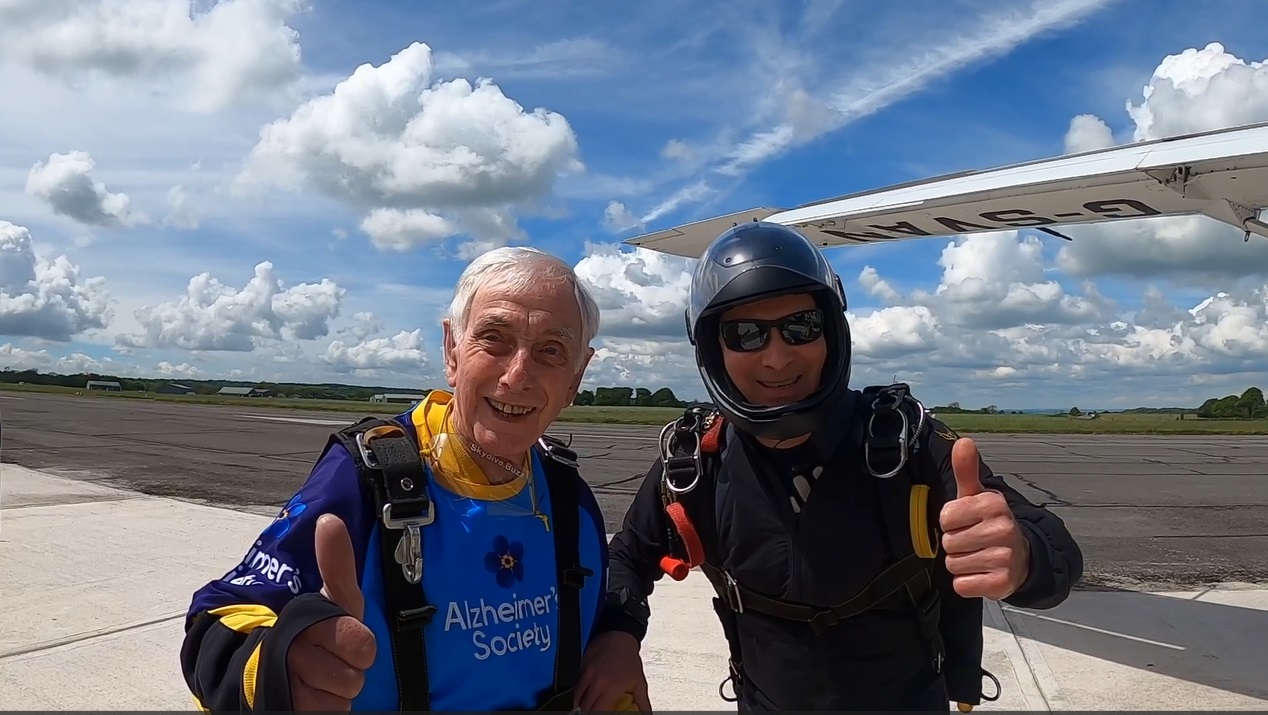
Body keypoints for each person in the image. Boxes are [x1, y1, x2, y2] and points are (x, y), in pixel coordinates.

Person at [574, 221, 1085, 712]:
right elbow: (630, 555)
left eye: (800, 326)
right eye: (746, 334)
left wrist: (1022, 557)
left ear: (830, 333)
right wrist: (620, 632)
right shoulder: (694, 461)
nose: (776, 358)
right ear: (714, 348)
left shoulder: (904, 443)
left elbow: (1056, 553)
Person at [180, 246, 639, 712]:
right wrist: (277, 669)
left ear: (576, 377)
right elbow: (216, 621)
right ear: (452, 350)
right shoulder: (369, 477)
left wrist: (618, 639)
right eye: (494, 338)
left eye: (551, 351)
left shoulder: (567, 497)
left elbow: (588, 627)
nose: (517, 375)